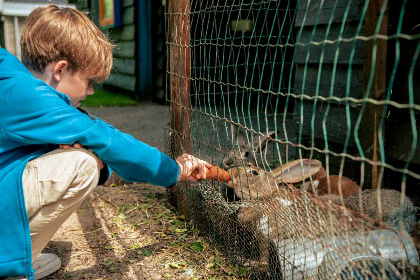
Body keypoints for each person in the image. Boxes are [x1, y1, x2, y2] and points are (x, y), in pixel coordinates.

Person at [0, 5, 211, 280]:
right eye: (89, 81)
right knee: (82, 165)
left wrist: (102, 166)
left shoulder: (11, 77)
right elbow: (106, 138)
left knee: (84, 158)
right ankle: (9, 264)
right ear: (61, 70)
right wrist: (173, 170)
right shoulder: (30, 96)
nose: (89, 91)